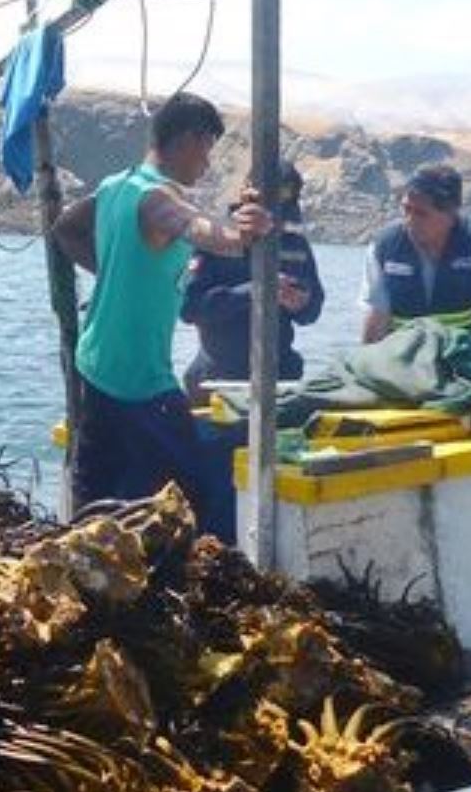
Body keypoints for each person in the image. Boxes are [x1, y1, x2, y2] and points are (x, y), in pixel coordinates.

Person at [51, 92, 271, 533]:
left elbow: (65, 229)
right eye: (206, 149)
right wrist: (240, 235)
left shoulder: (117, 185)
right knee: (196, 490)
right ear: (187, 140)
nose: (206, 164)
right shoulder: (157, 199)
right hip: (139, 379)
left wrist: (116, 271)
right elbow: (199, 229)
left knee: (94, 494)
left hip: (94, 366)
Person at [179, 160, 325, 398]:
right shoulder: (216, 236)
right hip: (217, 380)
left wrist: (301, 302)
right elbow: (189, 308)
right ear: (248, 193)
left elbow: (313, 309)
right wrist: (253, 292)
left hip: (281, 379)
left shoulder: (294, 243)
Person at [360, 164, 471, 367]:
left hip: (465, 362)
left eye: (421, 213)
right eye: (406, 209)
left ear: (451, 213)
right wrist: (366, 373)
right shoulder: (382, 246)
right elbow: (375, 324)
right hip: (404, 364)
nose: (410, 220)